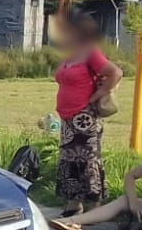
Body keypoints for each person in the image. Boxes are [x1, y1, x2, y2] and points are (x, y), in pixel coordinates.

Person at [53, 11, 124, 216]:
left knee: (87, 159)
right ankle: (73, 204)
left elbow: (115, 72)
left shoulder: (91, 53)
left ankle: (95, 207)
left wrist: (99, 93)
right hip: (68, 118)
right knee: (69, 159)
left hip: (85, 117)